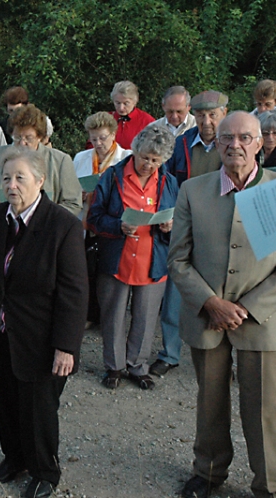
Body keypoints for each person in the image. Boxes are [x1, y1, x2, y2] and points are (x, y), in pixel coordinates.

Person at [0, 148, 87, 496]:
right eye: (6, 178)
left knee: (39, 409)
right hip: (1, 331)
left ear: (40, 180)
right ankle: (14, 457)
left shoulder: (63, 225)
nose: (12, 185)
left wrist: (66, 346)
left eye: (20, 177)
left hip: (41, 337)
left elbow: (74, 293)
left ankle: (44, 471)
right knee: (5, 400)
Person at [169, 111, 276, 498]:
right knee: (209, 400)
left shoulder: (275, 190)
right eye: (227, 138)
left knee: (263, 408)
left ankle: (269, 483)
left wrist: (245, 307)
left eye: (245, 138)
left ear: (260, 142)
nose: (236, 145)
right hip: (207, 317)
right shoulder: (192, 191)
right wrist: (211, 303)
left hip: (262, 320)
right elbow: (177, 259)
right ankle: (209, 471)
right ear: (216, 143)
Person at [87, 124, 178, 390]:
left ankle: (138, 366)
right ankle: (114, 366)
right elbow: (94, 218)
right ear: (135, 151)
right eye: (145, 158)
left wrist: (170, 226)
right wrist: (118, 226)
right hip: (117, 258)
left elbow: (182, 220)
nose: (149, 164)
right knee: (113, 315)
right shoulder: (112, 177)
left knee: (146, 317)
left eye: (155, 160)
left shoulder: (169, 182)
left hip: (153, 258)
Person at [150, 90, 228, 377]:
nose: (206, 121)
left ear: (224, 113)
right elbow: (165, 184)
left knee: (219, 295)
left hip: (221, 232)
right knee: (174, 296)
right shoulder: (181, 144)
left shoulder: (232, 146)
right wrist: (168, 214)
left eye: (212, 115)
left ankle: (220, 356)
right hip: (182, 229)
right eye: (200, 115)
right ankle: (170, 354)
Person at [73, 112, 131, 324]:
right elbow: (71, 188)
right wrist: (78, 194)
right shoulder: (81, 158)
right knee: (86, 270)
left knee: (109, 274)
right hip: (86, 220)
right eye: (93, 138)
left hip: (112, 221)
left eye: (103, 138)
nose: (98, 143)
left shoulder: (126, 158)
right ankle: (88, 314)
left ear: (114, 134)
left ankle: (109, 317)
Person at [0, 104, 82, 220]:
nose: (22, 143)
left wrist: (46, 216)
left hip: (43, 233)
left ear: (40, 137)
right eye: (17, 137)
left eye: (29, 138)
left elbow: (73, 203)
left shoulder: (60, 161)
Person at [109, 81, 155, 149]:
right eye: (117, 103)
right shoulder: (106, 119)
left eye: (126, 103)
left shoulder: (147, 121)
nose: (121, 108)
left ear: (134, 101)